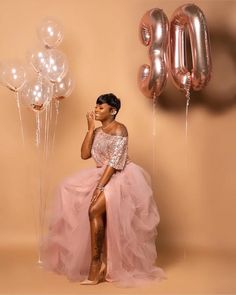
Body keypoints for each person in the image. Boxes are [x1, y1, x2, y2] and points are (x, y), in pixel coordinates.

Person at [40, 93, 165, 286]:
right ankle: (99, 263)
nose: (96, 110)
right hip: (101, 173)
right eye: (96, 106)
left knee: (93, 210)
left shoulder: (120, 130)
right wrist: (90, 130)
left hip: (121, 176)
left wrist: (100, 187)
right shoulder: (97, 132)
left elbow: (115, 163)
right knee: (66, 188)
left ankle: (96, 264)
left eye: (101, 107)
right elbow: (84, 155)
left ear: (113, 111)